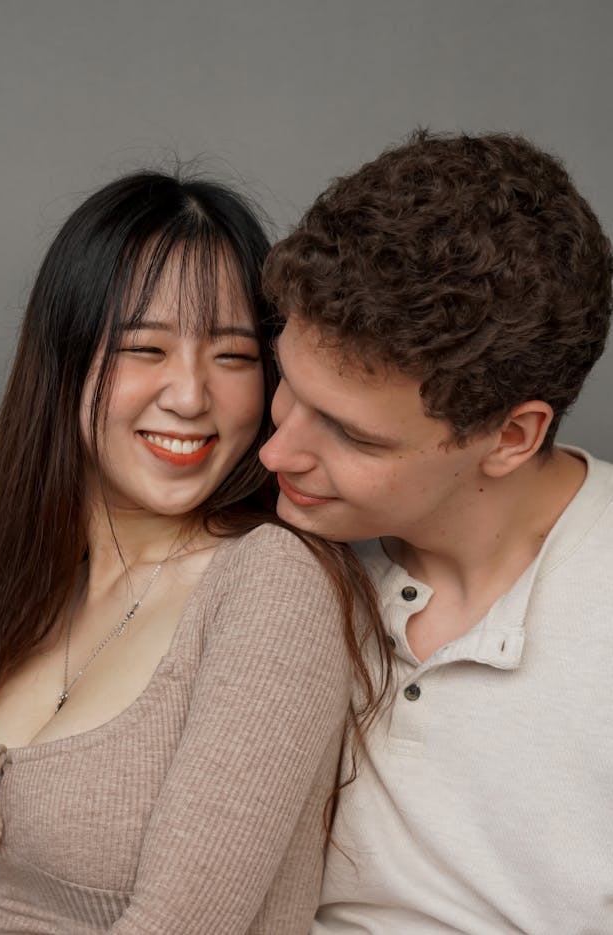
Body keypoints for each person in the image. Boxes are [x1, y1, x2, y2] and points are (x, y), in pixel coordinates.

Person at [0, 172, 386, 934]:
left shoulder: (270, 583)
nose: (188, 395)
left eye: (234, 357)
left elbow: (181, 922)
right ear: (65, 362)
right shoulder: (44, 583)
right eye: (145, 347)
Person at [259, 130, 613, 934]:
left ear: (513, 436)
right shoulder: (272, 550)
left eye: (354, 436)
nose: (276, 449)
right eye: (287, 383)